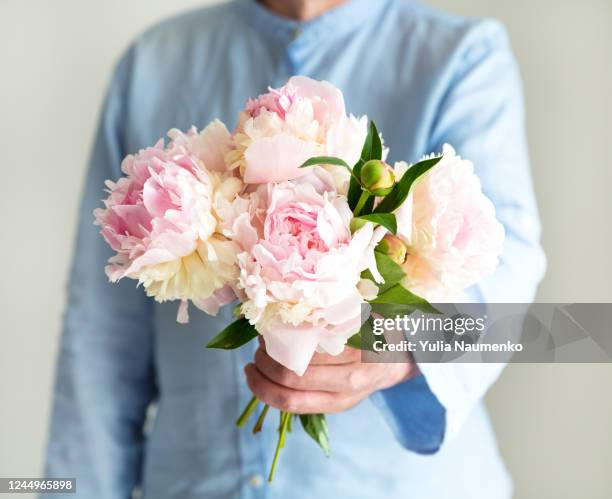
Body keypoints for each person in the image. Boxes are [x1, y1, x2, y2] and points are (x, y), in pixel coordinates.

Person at [43, 0, 546, 497]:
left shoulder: (461, 57)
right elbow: (98, 340)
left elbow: (509, 277)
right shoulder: (152, 63)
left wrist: (401, 353)